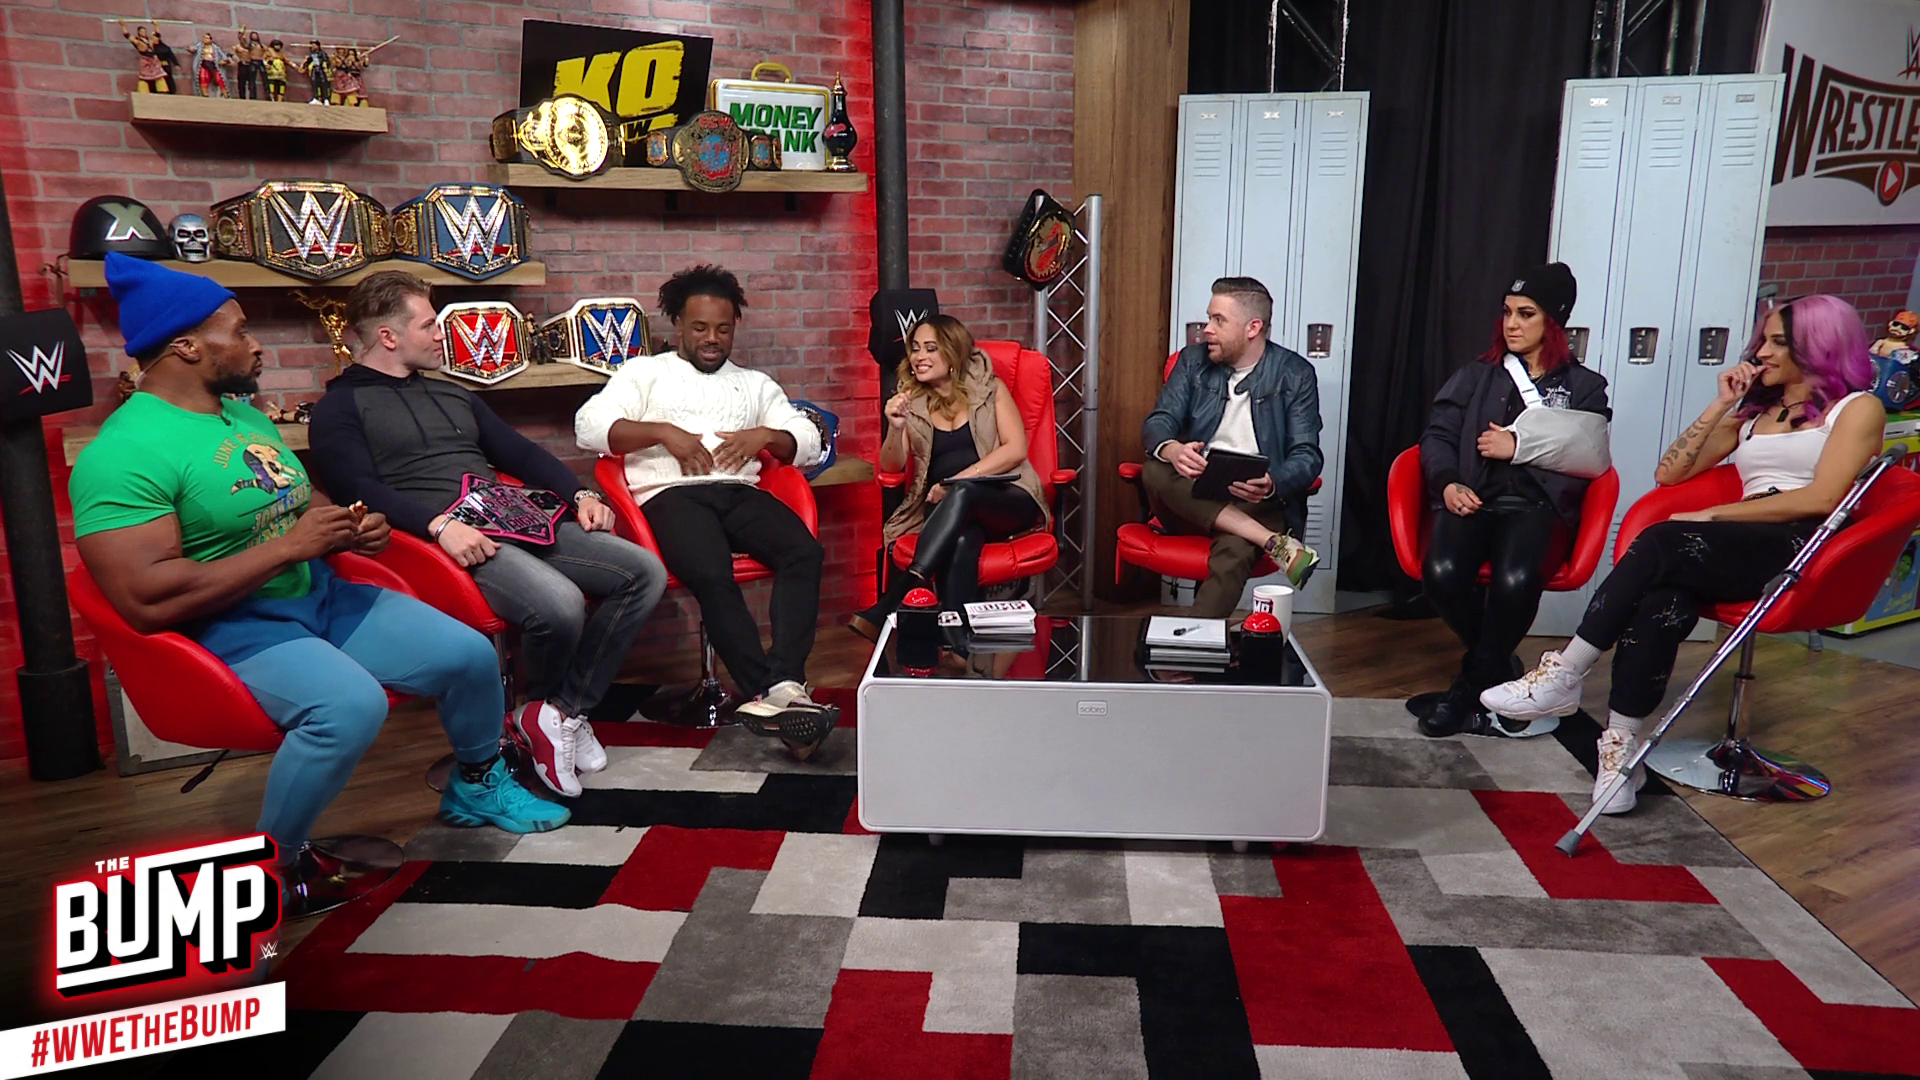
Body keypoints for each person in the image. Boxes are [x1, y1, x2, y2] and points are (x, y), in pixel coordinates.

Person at [71, 255, 568, 887]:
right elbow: (145, 597)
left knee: (469, 655)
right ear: (187, 347)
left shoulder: (243, 417)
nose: (256, 346)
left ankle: (476, 783)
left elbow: (295, 500)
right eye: (240, 331)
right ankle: (271, 865)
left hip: (318, 595)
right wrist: (287, 549)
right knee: (349, 707)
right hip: (232, 625)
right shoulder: (124, 452)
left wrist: (348, 527)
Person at [1482, 295, 1885, 814]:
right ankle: (1621, 750)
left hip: (1800, 547)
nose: (1761, 352)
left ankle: (1566, 671)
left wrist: (1715, 515)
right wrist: (1721, 405)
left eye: (1778, 343)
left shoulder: (1857, 408)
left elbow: (1823, 499)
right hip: (1738, 544)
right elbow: (1670, 473)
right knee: (1663, 600)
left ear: (1819, 348)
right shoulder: (1755, 413)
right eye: (1762, 340)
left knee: (1662, 539)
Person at [308, 270, 668, 799]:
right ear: (389, 336)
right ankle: (547, 719)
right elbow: (355, 490)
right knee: (560, 603)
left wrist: (580, 495)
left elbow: (519, 453)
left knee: (642, 571)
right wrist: (439, 526)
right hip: (436, 542)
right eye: (429, 325)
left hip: (510, 516)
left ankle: (557, 713)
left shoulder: (452, 393)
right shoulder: (338, 409)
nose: (441, 335)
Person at [575, 265, 836, 756]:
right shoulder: (644, 374)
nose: (712, 339)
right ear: (678, 324)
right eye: (699, 328)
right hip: (670, 494)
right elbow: (588, 427)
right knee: (712, 573)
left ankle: (786, 684)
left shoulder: (754, 384)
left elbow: (808, 442)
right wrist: (662, 432)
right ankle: (765, 694)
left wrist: (767, 436)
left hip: (738, 491)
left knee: (804, 553)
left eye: (723, 328)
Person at [1416, 264, 1612, 738]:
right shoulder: (1475, 375)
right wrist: (1447, 483)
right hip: (1473, 499)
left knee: (1516, 579)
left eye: (1526, 314)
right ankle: (1499, 664)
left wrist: (1519, 447)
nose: (1511, 324)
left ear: (1553, 321)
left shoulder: (1585, 387)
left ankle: (1469, 686)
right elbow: (1438, 436)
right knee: (1441, 571)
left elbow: (1589, 455)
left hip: (1539, 508)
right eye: (1507, 312)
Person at [850, 315, 1049, 641]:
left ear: (953, 352)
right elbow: (892, 465)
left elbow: (1015, 450)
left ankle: (903, 589)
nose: (919, 357)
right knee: (961, 539)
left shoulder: (990, 389)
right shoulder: (911, 399)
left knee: (965, 492)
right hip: (945, 510)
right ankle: (955, 642)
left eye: (931, 348)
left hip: (1005, 499)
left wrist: (953, 483)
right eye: (916, 348)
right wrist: (896, 428)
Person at [1140, 276, 1322, 617]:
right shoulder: (1192, 362)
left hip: (1255, 498)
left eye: (1219, 320)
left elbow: (1306, 455)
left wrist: (1273, 482)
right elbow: (1159, 421)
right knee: (1154, 469)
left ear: (1253, 327)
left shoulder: (1295, 374)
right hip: (1191, 494)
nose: (1207, 329)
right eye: (1209, 317)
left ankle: (1194, 642)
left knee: (1235, 551)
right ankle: (1270, 540)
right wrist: (1173, 450)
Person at [117, 21, 171, 94]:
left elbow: (157, 35)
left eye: (144, 31)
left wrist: (156, 25)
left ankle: (162, 90)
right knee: (144, 77)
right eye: (141, 31)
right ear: (139, 32)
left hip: (153, 60)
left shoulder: (150, 40)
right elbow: (127, 35)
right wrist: (123, 26)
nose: (143, 33)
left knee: (159, 76)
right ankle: (143, 90)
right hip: (145, 60)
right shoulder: (137, 41)